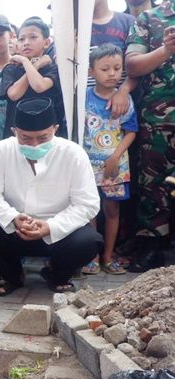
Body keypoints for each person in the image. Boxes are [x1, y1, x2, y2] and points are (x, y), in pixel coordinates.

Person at [0, 98, 102, 296]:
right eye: (25, 138)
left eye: (42, 138)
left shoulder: (74, 153)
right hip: (14, 229)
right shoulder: (2, 149)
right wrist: (13, 218)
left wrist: (50, 227)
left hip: (58, 234)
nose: (33, 144)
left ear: (55, 129)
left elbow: (87, 204)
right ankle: (12, 275)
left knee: (90, 240)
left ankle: (56, 275)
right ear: (14, 131)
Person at [124, 0, 175, 271]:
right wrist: (165, 50)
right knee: (153, 185)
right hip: (159, 118)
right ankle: (152, 245)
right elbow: (132, 65)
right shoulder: (149, 18)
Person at [82, 44, 138, 276]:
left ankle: (107, 256)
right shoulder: (83, 98)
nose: (112, 73)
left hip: (116, 168)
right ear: (91, 72)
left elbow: (131, 131)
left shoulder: (124, 100)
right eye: (105, 69)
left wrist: (115, 157)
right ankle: (91, 257)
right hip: (87, 167)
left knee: (112, 210)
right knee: (90, 211)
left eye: (117, 68)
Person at [0, 17, 66, 139]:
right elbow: (14, 94)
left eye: (33, 37)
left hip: (47, 134)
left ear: (46, 43)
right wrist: (31, 63)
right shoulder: (11, 69)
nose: (26, 42)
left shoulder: (54, 69)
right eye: (21, 39)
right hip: (18, 135)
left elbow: (39, 86)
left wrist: (29, 64)